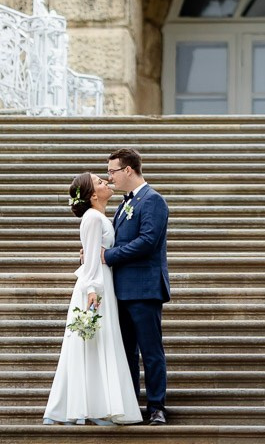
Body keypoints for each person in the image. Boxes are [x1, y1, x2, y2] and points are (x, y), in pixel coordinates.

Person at [43, 173, 142, 425]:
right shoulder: (93, 218)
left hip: (102, 284)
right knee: (93, 346)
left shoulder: (99, 217)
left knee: (98, 346)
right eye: (99, 182)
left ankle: (98, 405)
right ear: (93, 195)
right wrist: (92, 291)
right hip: (95, 289)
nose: (106, 182)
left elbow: (92, 253)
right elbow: (89, 263)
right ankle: (93, 407)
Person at [102, 147, 170, 425]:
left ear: (128, 170)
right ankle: (131, 404)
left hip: (144, 288)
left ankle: (156, 407)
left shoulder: (153, 200)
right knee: (127, 351)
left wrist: (108, 256)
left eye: (112, 171)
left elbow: (147, 241)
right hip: (121, 289)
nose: (109, 178)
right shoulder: (123, 204)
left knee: (150, 350)